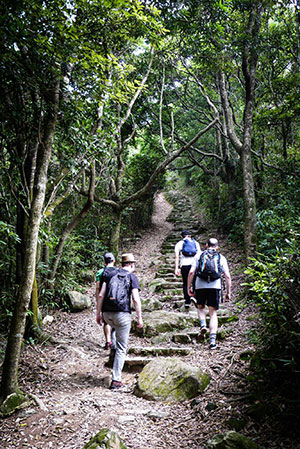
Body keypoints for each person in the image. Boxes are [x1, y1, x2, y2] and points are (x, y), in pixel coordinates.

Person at [96, 253, 143, 390]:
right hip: (122, 314)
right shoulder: (132, 277)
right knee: (122, 348)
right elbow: (135, 299)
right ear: (132, 265)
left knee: (114, 329)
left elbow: (100, 294)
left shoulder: (109, 274)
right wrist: (139, 317)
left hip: (106, 314)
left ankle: (112, 350)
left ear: (121, 263)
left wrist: (98, 314)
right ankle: (116, 380)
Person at [187, 237, 231, 349]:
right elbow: (227, 276)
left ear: (206, 245)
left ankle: (202, 325)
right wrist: (228, 293)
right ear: (217, 247)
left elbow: (191, 272)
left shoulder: (198, 255)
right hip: (215, 286)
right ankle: (212, 341)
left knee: (200, 307)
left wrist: (188, 287)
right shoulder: (221, 258)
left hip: (200, 285)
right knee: (213, 313)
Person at [175, 230, 201, 312]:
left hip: (184, 265)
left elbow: (177, 257)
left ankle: (187, 301)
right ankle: (196, 298)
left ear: (182, 236)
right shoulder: (196, 243)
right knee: (195, 282)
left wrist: (176, 268)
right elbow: (200, 255)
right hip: (194, 265)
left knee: (186, 283)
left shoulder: (179, 244)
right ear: (190, 235)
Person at [95, 252, 117, 350]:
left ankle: (108, 341)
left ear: (104, 262)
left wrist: (98, 301)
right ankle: (115, 342)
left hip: (105, 299)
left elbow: (97, 288)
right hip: (117, 299)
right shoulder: (119, 271)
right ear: (114, 261)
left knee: (106, 322)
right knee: (116, 321)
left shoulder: (100, 272)